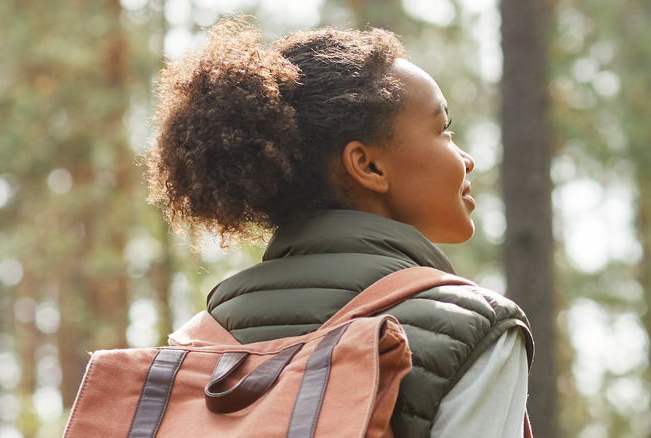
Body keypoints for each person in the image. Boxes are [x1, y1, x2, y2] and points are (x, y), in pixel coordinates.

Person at [144, 17, 534, 438]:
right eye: (444, 129)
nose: (466, 159)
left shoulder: (194, 344)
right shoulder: (472, 327)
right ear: (367, 165)